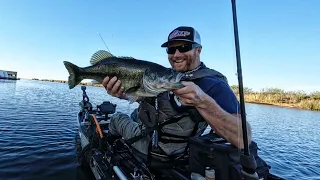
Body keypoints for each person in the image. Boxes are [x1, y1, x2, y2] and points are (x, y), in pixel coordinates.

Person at [102, 26, 252, 159]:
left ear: (198, 50)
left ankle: (107, 151)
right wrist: (122, 93)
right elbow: (142, 96)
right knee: (135, 114)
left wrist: (203, 102)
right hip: (174, 147)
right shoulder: (166, 76)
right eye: (171, 49)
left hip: (154, 149)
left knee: (116, 118)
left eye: (184, 47)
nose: (177, 54)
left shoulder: (212, 84)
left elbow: (244, 138)